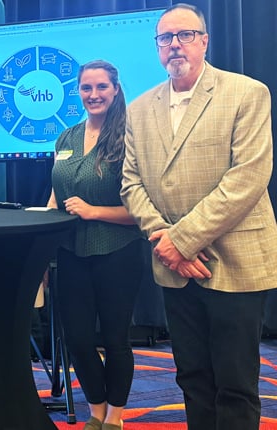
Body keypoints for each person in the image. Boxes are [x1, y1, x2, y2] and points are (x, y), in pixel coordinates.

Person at [120, 4, 277, 429]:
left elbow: (248, 179)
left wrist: (180, 241)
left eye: (185, 35)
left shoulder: (246, 92)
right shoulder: (137, 109)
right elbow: (131, 183)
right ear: (157, 48)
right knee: (191, 377)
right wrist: (166, 243)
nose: (175, 45)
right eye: (165, 38)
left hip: (236, 261)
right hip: (174, 266)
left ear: (204, 41)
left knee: (236, 382)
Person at [46, 59, 145, 430]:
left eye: (101, 87)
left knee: (117, 339)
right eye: (86, 88)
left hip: (118, 252)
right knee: (78, 340)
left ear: (116, 89)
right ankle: (96, 409)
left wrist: (93, 211)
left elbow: (141, 211)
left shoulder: (131, 136)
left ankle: (114, 418)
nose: (94, 94)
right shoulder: (66, 137)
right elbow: (57, 196)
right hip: (71, 254)